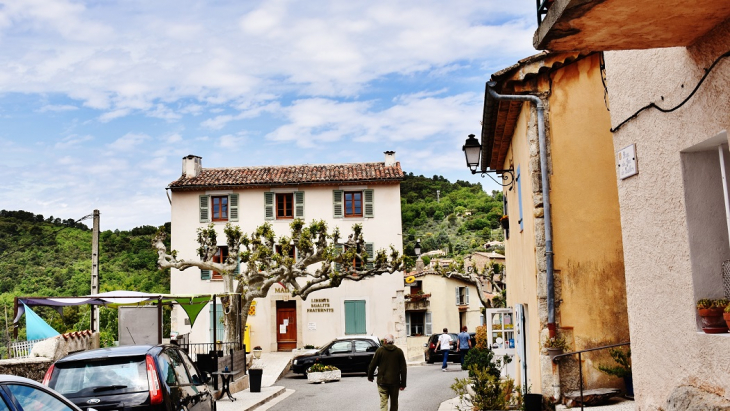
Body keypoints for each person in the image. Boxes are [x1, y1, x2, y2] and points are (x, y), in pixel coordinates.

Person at [368, 334, 407, 411]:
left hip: (382, 382)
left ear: (385, 341)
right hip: (395, 382)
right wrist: (403, 383)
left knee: (383, 402)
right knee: (394, 403)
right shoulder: (399, 351)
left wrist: (370, 376)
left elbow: (372, 365)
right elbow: (403, 369)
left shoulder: (380, 351)